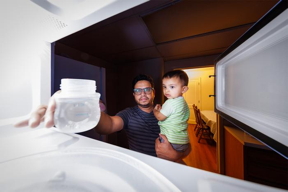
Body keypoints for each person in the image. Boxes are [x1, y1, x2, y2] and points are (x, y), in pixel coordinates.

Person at [15, 74, 190, 161]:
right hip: (143, 169)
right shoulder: (128, 114)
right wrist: (84, 104)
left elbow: (187, 145)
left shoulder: (170, 110)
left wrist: (176, 154)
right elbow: (108, 126)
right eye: (138, 90)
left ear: (153, 92)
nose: (142, 94)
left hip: (173, 167)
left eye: (146, 89)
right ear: (133, 94)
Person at [153, 70, 190, 153]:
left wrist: (155, 111)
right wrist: (162, 110)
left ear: (183, 89)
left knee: (164, 160)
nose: (167, 90)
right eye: (164, 87)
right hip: (183, 140)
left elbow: (160, 117)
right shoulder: (183, 102)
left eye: (172, 87)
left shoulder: (170, 102)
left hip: (171, 140)